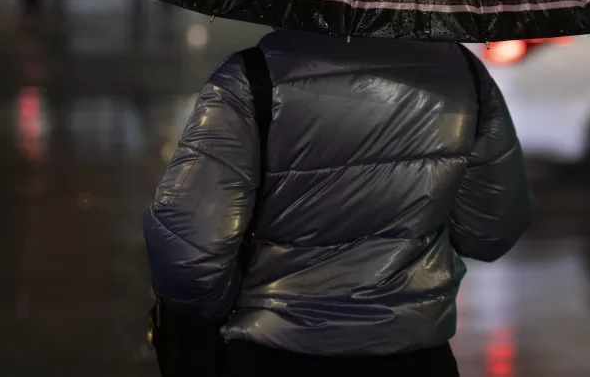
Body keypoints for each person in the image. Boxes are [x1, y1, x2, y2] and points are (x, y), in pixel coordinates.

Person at [143, 29, 533, 377]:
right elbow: (492, 229)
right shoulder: (462, 72)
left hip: (273, 353)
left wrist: (229, 305)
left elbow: (190, 255)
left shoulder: (250, 80)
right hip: (417, 356)